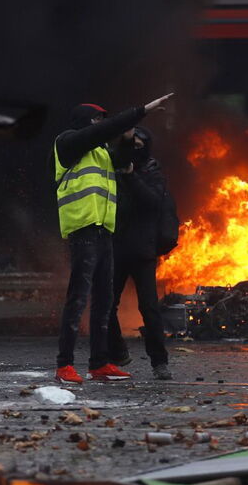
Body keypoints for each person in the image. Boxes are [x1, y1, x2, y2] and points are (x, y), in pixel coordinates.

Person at [53, 93, 173, 384]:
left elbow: (124, 159)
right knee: (78, 298)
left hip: (104, 230)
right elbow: (101, 132)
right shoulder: (68, 142)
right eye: (96, 119)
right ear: (84, 121)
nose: (100, 124)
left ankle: (99, 363)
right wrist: (140, 111)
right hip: (83, 228)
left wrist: (129, 136)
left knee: (104, 301)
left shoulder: (102, 152)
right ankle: (64, 364)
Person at [107, 126, 172, 380]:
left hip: (142, 250)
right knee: (106, 304)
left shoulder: (152, 171)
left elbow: (152, 202)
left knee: (149, 308)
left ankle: (159, 362)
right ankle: (117, 352)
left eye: (137, 146)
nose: (134, 150)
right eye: (130, 146)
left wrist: (131, 176)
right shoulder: (112, 168)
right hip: (116, 247)